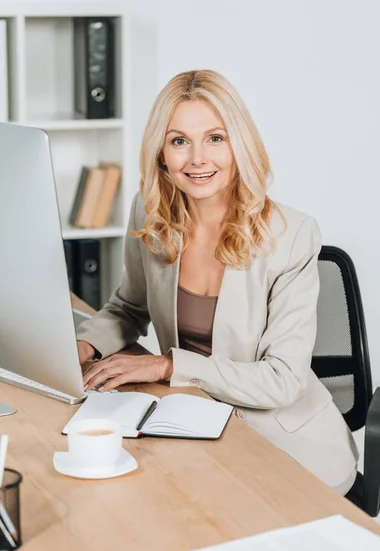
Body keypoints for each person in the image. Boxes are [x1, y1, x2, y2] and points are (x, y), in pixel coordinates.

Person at [77, 69, 358, 494]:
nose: (197, 159)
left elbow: (282, 379)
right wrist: (82, 347)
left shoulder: (291, 234)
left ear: (238, 144)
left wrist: (167, 364)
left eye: (215, 138)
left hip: (282, 442)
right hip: (193, 418)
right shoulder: (150, 213)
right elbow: (129, 306)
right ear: (161, 153)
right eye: (179, 141)